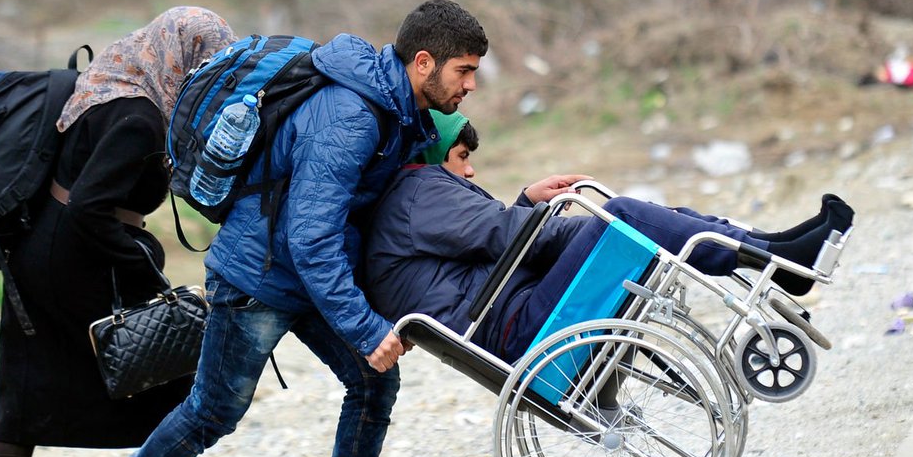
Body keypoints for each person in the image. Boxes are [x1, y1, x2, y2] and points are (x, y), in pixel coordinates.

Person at [61, 0, 489, 457]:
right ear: (423, 62)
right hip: (259, 278)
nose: (471, 84)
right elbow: (309, 235)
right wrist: (367, 329)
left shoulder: (396, 111)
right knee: (213, 411)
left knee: (371, 380)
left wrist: (517, 201)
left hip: (300, 275)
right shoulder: (354, 114)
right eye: (464, 71)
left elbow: (416, 194)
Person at [0, 7, 241, 457]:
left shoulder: (117, 85)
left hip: (44, 248)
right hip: (72, 251)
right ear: (182, 58)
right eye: (208, 65)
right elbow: (91, 210)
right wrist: (148, 274)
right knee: (170, 353)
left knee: (27, 383)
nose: (213, 79)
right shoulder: (138, 116)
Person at [364, 110, 855, 363]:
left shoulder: (417, 198)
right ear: (432, 155)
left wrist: (526, 203)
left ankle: (763, 247)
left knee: (639, 219)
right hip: (519, 323)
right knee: (624, 216)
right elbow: (512, 239)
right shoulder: (420, 191)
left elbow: (475, 254)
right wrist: (604, 227)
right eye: (460, 158)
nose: (469, 172)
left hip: (511, 308)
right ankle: (769, 254)